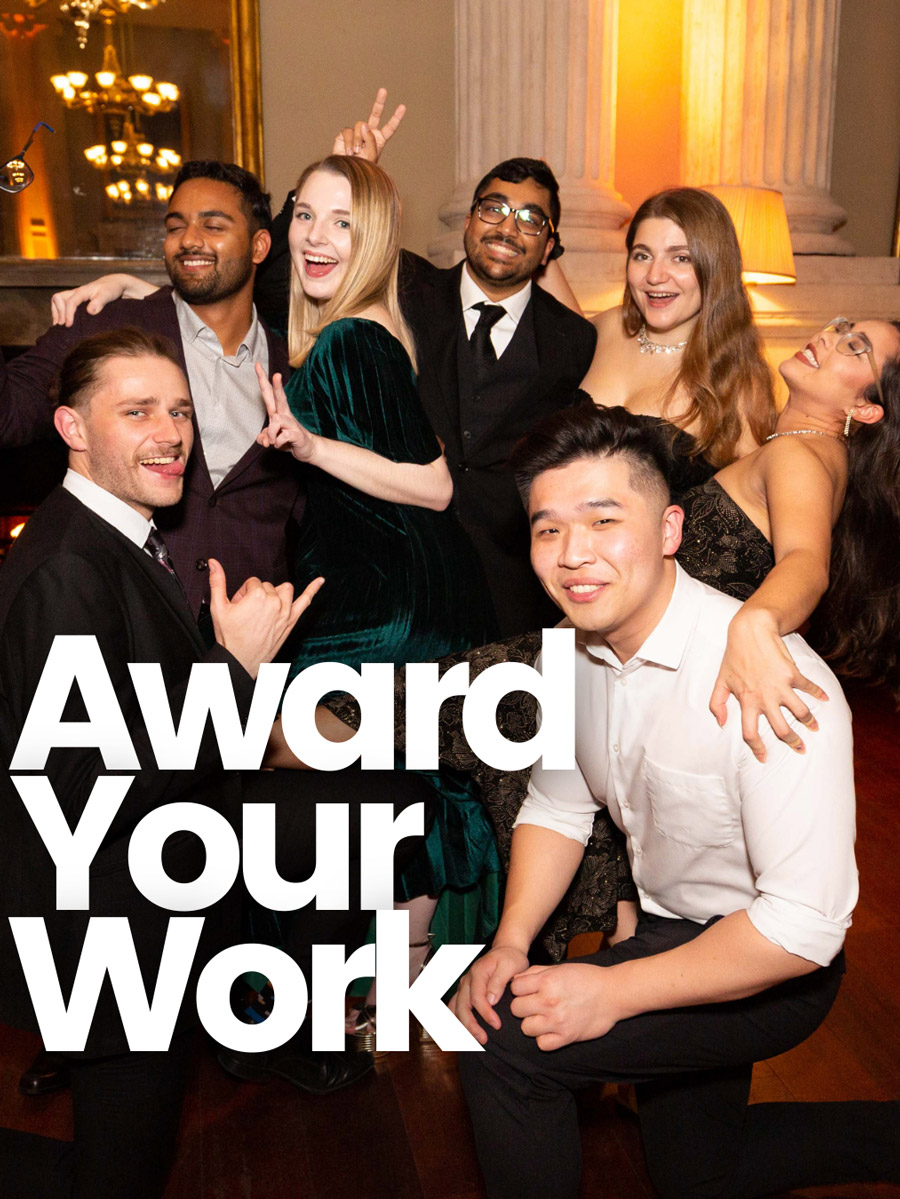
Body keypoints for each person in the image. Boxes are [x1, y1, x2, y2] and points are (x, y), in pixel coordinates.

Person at [451, 403, 900, 1199]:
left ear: (668, 529)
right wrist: (511, 941)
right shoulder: (570, 647)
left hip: (772, 963)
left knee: (504, 1048)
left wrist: (612, 988)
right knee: (699, 1175)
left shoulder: (776, 684)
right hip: (668, 924)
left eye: (602, 519)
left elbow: (802, 927)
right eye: (548, 528)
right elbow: (558, 806)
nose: (573, 554)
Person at [0, 328, 323, 1197]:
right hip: (106, 935)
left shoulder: (123, 539)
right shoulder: (70, 565)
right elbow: (83, 788)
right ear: (71, 426)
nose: (170, 432)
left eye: (179, 411)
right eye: (136, 410)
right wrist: (236, 668)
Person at [256, 154, 500, 1044]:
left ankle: (358, 995)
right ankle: (388, 999)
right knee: (395, 790)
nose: (318, 238)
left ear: (375, 243)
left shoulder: (354, 339)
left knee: (287, 766)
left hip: (388, 603)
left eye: (344, 223)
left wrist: (311, 450)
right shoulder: (354, 329)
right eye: (306, 216)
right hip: (387, 592)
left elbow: (435, 486)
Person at [256, 154, 599, 636]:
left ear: (549, 248)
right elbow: (283, 280)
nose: (506, 227)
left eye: (530, 219)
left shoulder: (574, 338)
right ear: (468, 219)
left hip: (511, 589)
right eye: (493, 208)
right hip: (390, 573)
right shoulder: (406, 289)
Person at [578, 186, 775, 470]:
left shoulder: (737, 383)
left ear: (714, 269)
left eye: (681, 258)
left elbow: (749, 502)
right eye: (642, 256)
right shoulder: (607, 326)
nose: (654, 276)